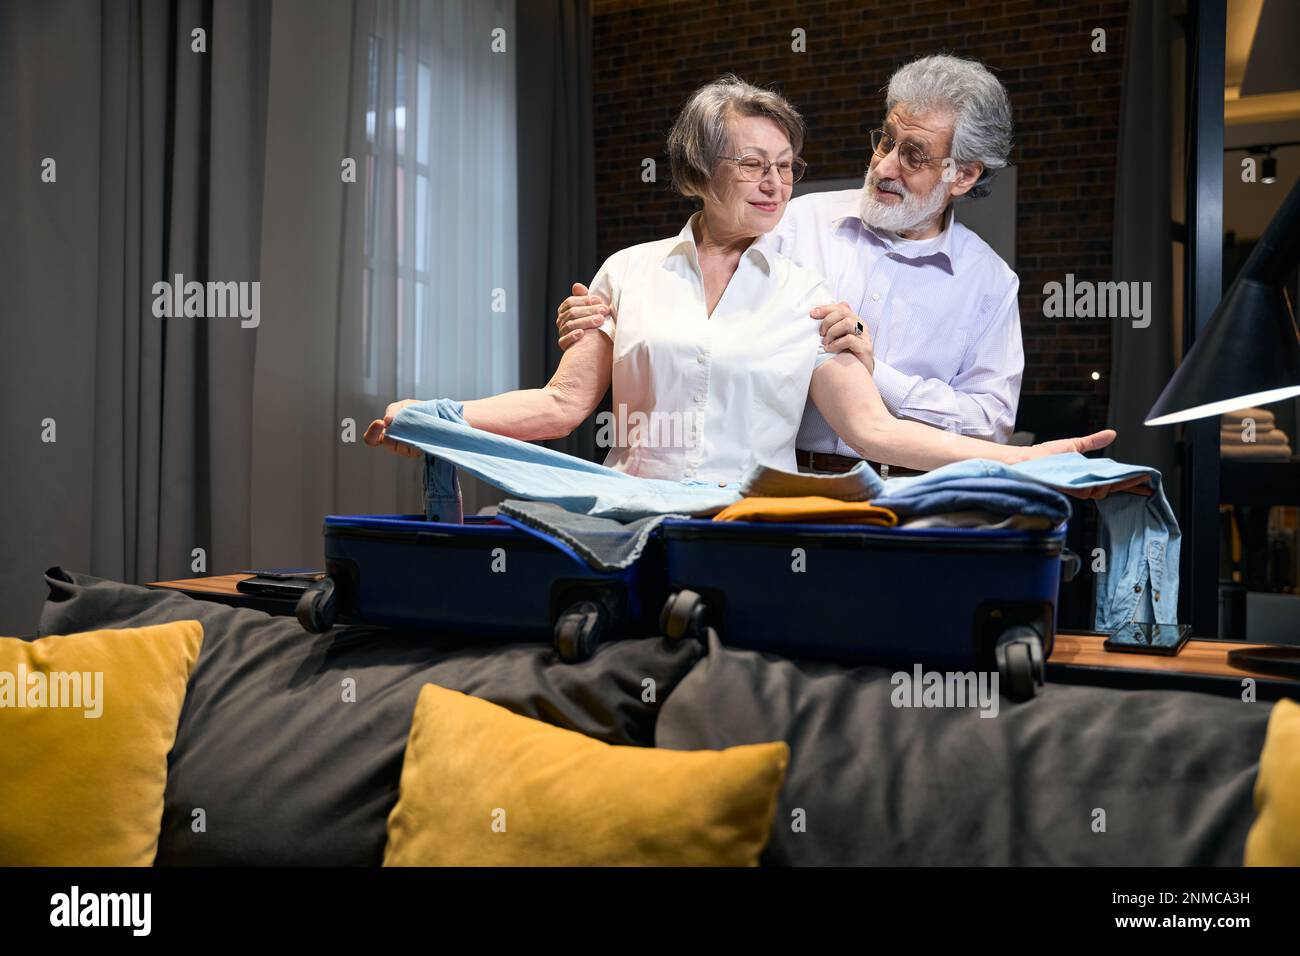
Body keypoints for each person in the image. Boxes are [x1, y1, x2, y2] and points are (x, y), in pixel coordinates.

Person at [365, 75, 1121, 489]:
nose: (777, 184)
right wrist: (432, 412)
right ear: (698, 170)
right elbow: (561, 406)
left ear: (964, 176)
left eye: (787, 166)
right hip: (625, 511)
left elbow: (875, 433)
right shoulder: (624, 272)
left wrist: (1028, 458)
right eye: (754, 164)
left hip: (760, 522)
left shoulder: (811, 294)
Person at [557, 55, 1024, 477]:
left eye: (914, 156)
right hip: (783, 482)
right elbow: (690, 301)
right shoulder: (791, 222)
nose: (883, 168)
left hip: (916, 490)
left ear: (962, 175)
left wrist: (876, 372)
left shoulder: (991, 283)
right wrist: (612, 311)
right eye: (885, 141)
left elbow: (989, 424)